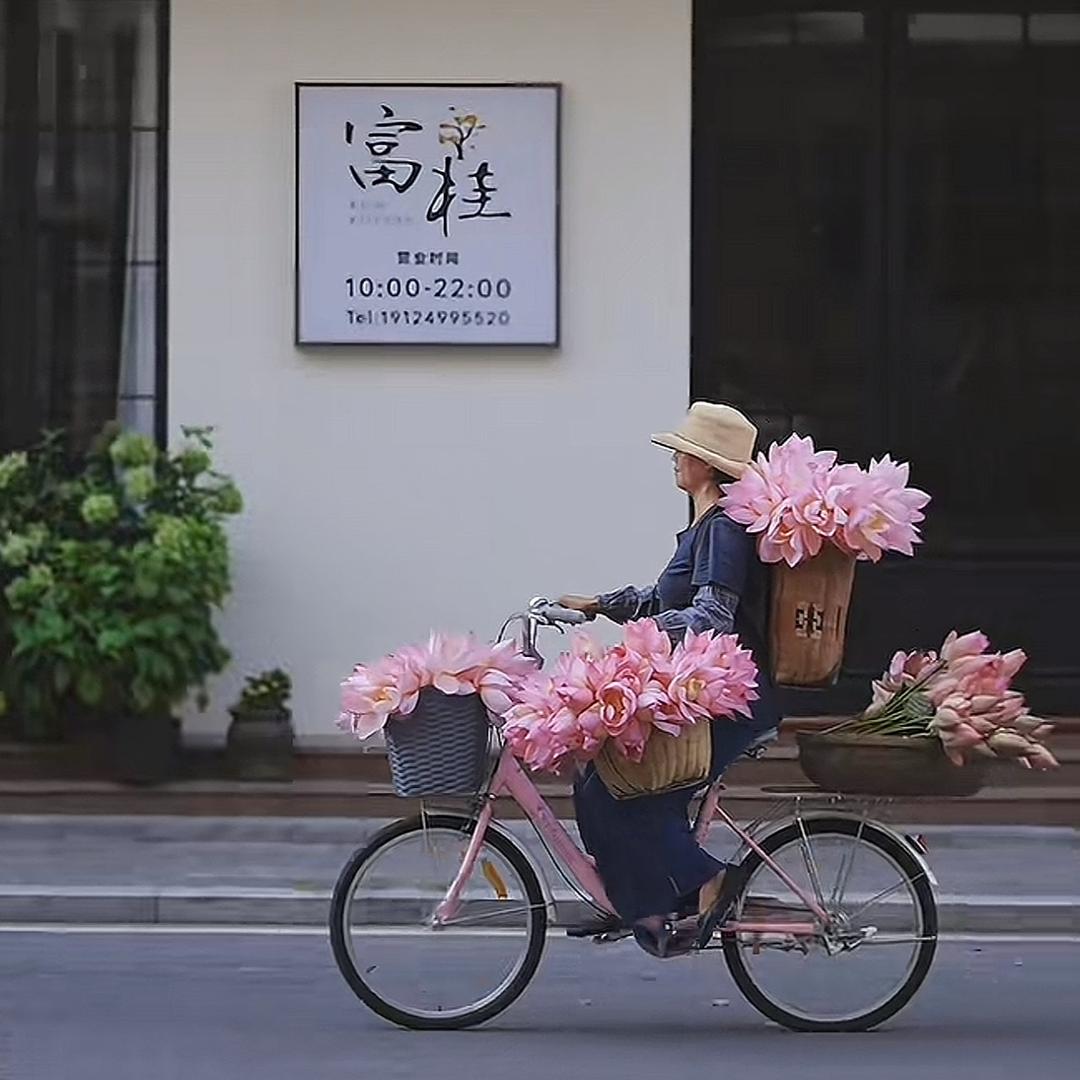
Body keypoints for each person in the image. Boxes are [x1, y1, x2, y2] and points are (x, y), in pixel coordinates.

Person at [557, 402, 780, 958]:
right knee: (596, 781)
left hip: (734, 698)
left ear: (706, 465)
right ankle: (642, 907)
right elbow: (665, 597)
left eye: (683, 452)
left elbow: (711, 617)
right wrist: (599, 606)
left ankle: (709, 882)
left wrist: (644, 637)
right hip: (711, 691)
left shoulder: (725, 529)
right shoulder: (705, 528)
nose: (675, 460)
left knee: (625, 789)